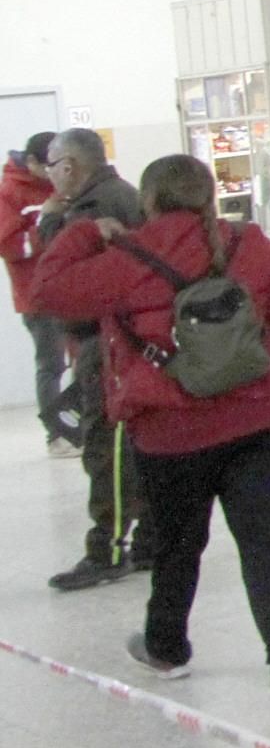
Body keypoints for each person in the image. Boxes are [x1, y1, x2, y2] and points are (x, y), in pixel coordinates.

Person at [31, 156, 270, 686]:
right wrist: (246, 354)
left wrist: (86, 232)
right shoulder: (247, 243)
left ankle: (166, 650)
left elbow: (46, 292)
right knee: (264, 537)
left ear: (148, 200)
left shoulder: (127, 256)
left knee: (177, 544)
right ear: (210, 196)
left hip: (171, 427)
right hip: (261, 416)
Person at [37, 128, 150, 591]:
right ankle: (149, 539)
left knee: (108, 446)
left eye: (51, 165)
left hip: (106, 344)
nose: (48, 175)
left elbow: (62, 277)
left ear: (69, 166)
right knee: (134, 444)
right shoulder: (121, 194)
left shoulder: (91, 208)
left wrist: (48, 222)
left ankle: (108, 547)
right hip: (123, 340)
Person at [2, 131, 74, 454]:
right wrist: (46, 219)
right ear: (31, 162)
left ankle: (83, 428)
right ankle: (56, 435)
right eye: (48, 166)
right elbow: (10, 246)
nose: (54, 172)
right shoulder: (9, 193)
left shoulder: (62, 182)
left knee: (84, 360)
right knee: (52, 365)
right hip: (37, 297)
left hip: (73, 289)